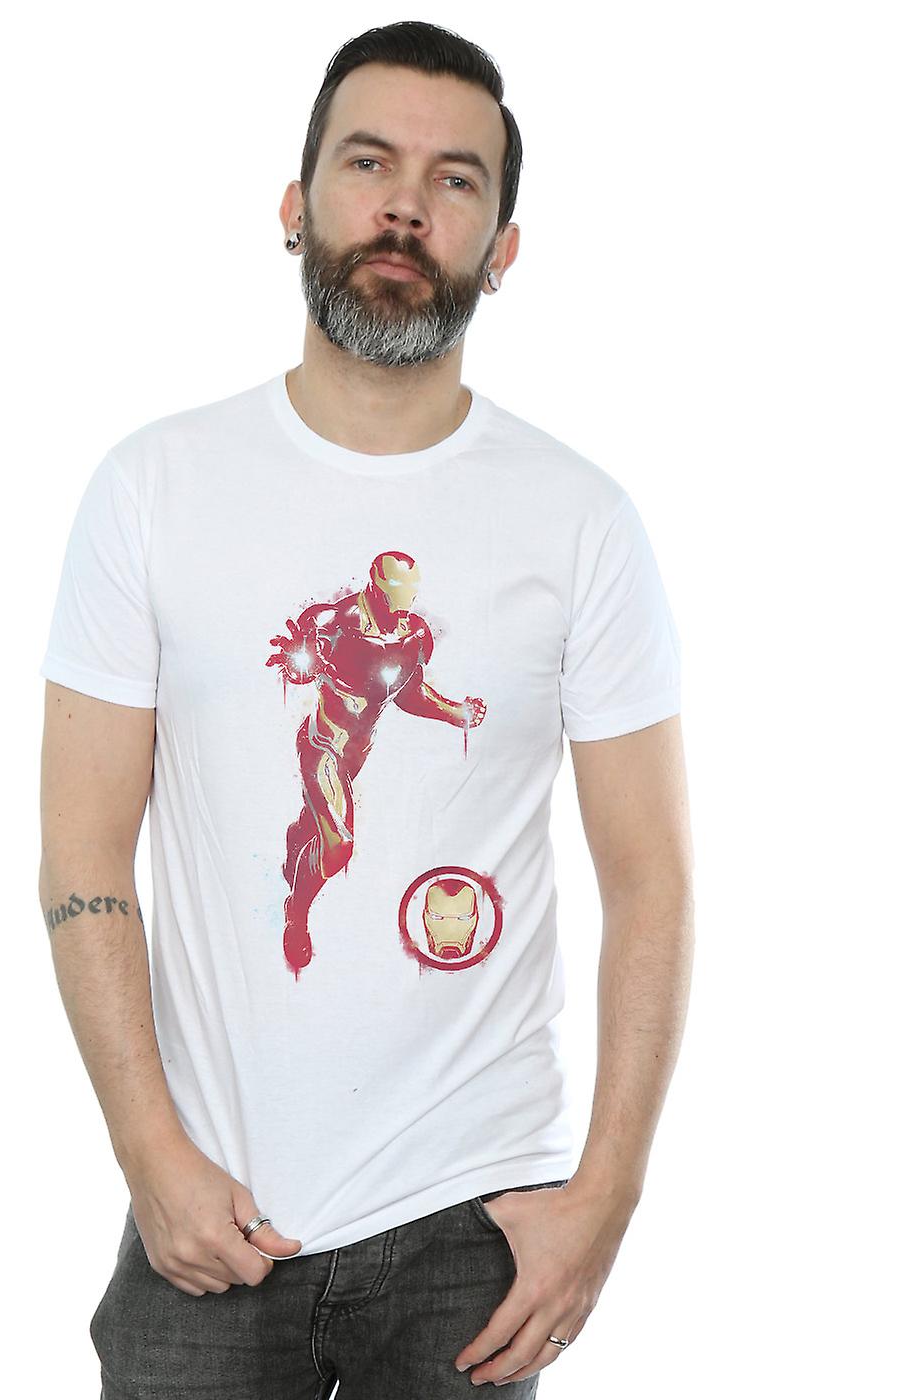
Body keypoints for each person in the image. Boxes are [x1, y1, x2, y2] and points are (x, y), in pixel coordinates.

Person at [38, 20, 694, 1399]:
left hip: (473, 1217)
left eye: (457, 181)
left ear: (502, 249)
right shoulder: (154, 488)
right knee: (319, 838)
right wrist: (149, 1154)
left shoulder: (580, 521)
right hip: (208, 1206)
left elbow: (651, 877)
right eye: (369, 162)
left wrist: (608, 1197)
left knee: (326, 833)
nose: (407, 204)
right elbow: (84, 852)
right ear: (296, 206)